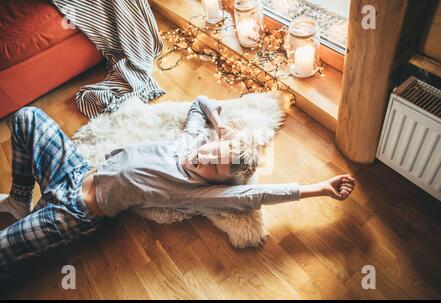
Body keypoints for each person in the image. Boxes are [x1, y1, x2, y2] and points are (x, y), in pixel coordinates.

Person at [0, 96, 355, 276]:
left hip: (74, 212)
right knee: (26, 117)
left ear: (217, 182)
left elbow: (257, 195)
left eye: (213, 167)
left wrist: (319, 188)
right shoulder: (191, 140)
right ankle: (18, 200)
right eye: (211, 151)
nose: (204, 159)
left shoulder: (198, 191)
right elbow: (200, 102)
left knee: (4, 246)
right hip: (75, 171)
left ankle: (25, 218)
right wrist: (219, 125)